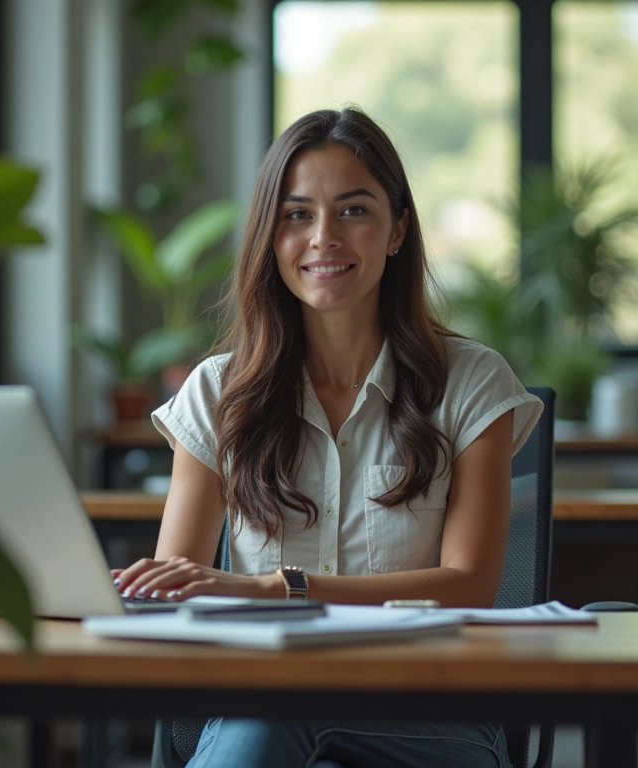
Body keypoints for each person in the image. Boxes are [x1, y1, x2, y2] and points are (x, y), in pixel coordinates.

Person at [111, 108, 543, 768]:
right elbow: (177, 591)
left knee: (274, 715)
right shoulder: (217, 392)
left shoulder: (472, 381)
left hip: (432, 710)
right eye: (296, 214)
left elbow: (468, 586)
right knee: (271, 711)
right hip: (260, 698)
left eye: (353, 211)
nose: (323, 238)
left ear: (398, 229)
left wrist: (275, 588)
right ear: (269, 235)